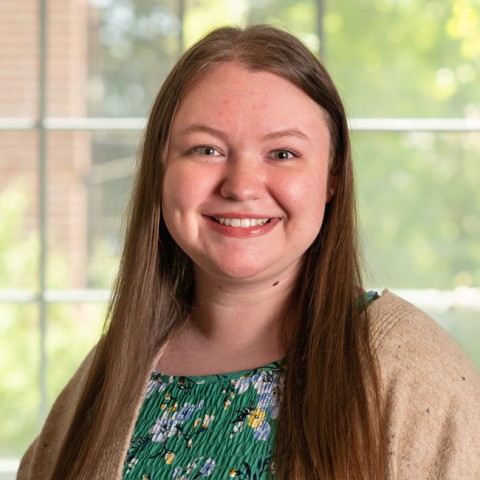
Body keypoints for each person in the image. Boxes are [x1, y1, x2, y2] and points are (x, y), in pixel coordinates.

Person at [18, 24, 480, 480]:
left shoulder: (414, 371)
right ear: (161, 167)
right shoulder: (105, 375)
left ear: (332, 177)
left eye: (282, 154)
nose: (240, 187)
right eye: (206, 149)